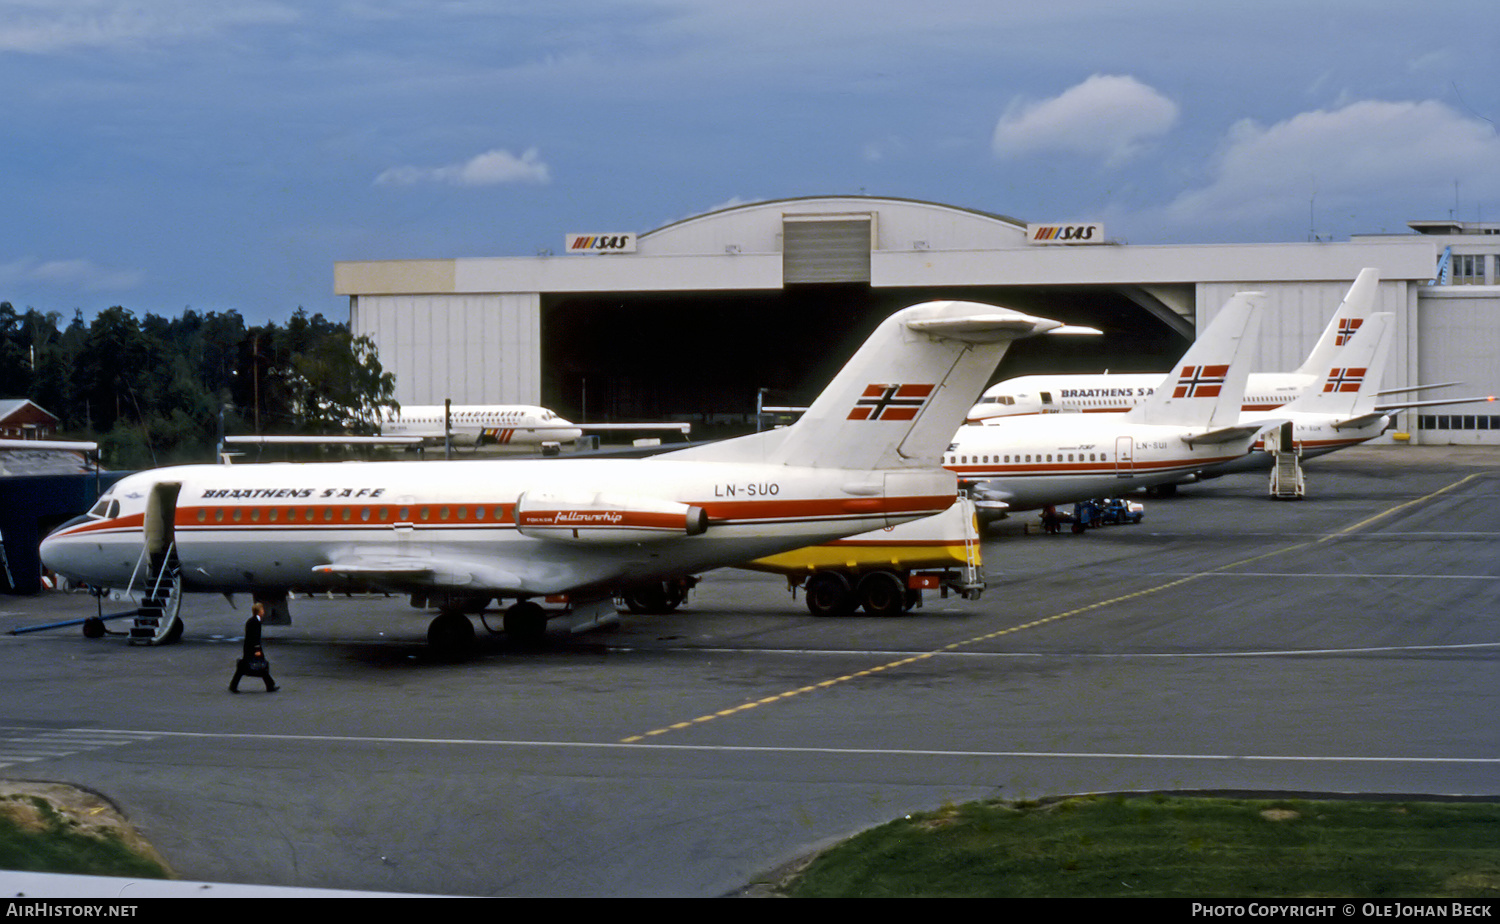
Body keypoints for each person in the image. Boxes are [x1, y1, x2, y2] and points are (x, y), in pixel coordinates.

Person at [230, 602, 279, 693]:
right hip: (253, 648)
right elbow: (254, 637)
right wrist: (257, 649)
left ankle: (270, 685)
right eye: (262, 610)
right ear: (259, 611)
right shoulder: (255, 622)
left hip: (250, 648)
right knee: (261, 666)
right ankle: (270, 685)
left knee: (244, 667)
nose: (263, 611)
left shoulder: (253, 621)